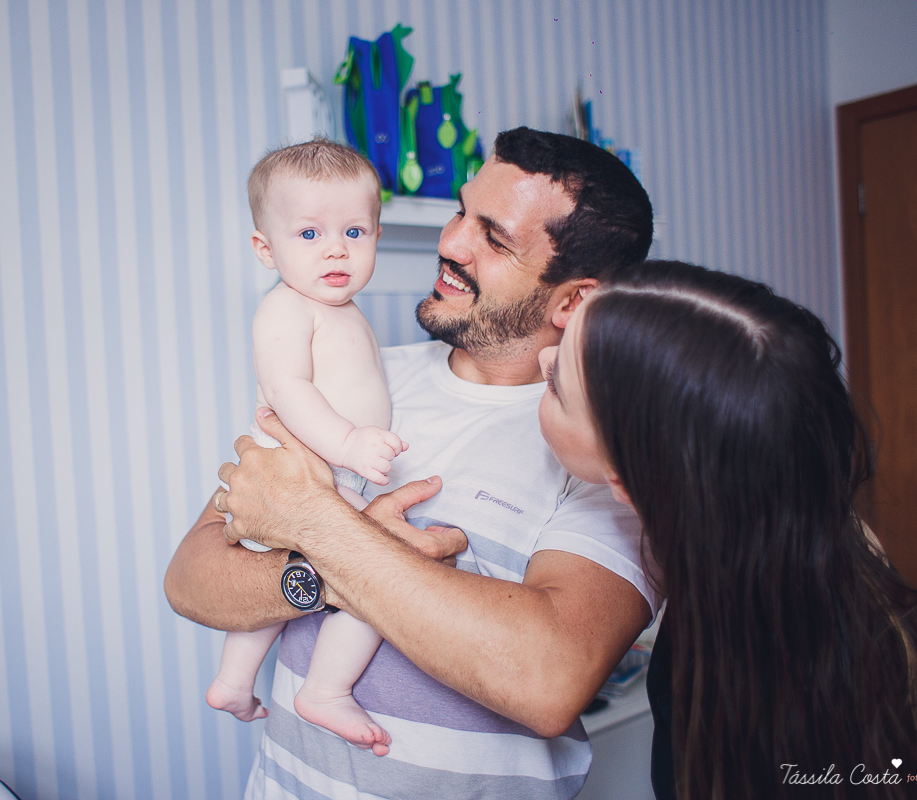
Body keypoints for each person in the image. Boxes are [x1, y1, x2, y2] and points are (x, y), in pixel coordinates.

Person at [165, 127, 658, 799]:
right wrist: (326, 569)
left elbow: (547, 682)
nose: (451, 244)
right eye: (460, 212)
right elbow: (192, 579)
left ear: (572, 299)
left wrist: (323, 528)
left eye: (494, 237)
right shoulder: (359, 377)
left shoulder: (602, 454)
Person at [536, 260, 917, 800]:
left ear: (628, 480)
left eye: (556, 386)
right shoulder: (839, 554)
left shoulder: (744, 684)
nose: (544, 356)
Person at [206, 140, 407, 757]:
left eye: (354, 230)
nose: (337, 248)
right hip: (300, 476)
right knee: (379, 585)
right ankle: (324, 689)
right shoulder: (285, 308)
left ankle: (235, 681)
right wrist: (348, 442)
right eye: (310, 233)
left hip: (334, 482)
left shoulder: (346, 311)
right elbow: (287, 388)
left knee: (302, 579)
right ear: (266, 249)